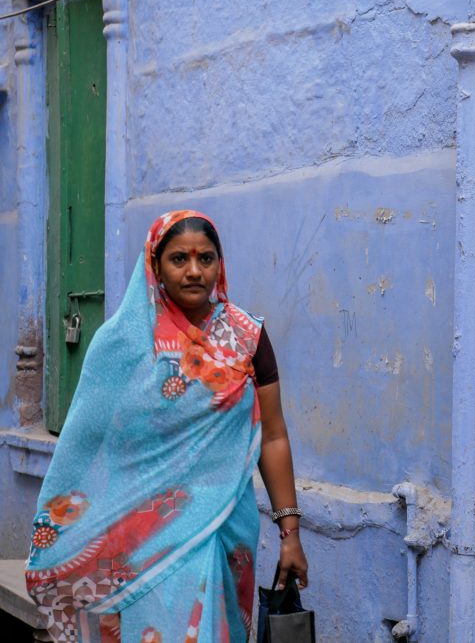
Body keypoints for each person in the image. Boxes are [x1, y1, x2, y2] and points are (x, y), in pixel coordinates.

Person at [24, 210, 308, 642]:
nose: (195, 271)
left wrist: (290, 532)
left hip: (226, 528)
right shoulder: (123, 343)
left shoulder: (247, 336)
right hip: (145, 538)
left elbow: (273, 435)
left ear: (220, 262)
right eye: (179, 259)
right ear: (154, 265)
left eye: (206, 258)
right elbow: (88, 445)